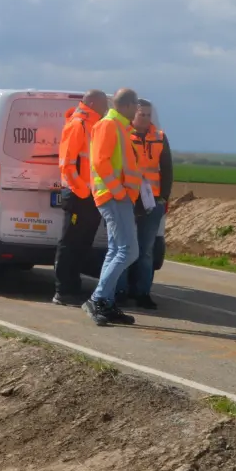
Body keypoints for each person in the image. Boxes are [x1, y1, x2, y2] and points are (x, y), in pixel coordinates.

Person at [84, 88, 143, 327]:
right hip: (114, 196)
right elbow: (100, 161)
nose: (138, 112)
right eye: (136, 107)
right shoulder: (109, 125)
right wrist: (118, 192)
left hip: (117, 196)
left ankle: (105, 302)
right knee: (129, 251)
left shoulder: (118, 127)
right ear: (128, 106)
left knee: (116, 250)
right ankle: (98, 298)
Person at [53, 89, 109, 307]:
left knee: (82, 244)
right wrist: (83, 192)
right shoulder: (78, 124)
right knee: (70, 243)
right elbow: (66, 164)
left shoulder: (94, 124)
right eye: (104, 104)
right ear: (93, 103)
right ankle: (63, 291)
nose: (106, 109)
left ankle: (72, 288)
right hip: (79, 195)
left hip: (90, 196)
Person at [118, 98, 172, 309]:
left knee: (146, 249)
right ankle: (120, 291)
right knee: (124, 247)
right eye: (142, 115)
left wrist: (163, 197)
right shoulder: (123, 134)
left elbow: (166, 169)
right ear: (134, 115)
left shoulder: (159, 137)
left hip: (152, 201)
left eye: (149, 115)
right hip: (128, 198)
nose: (146, 119)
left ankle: (143, 293)